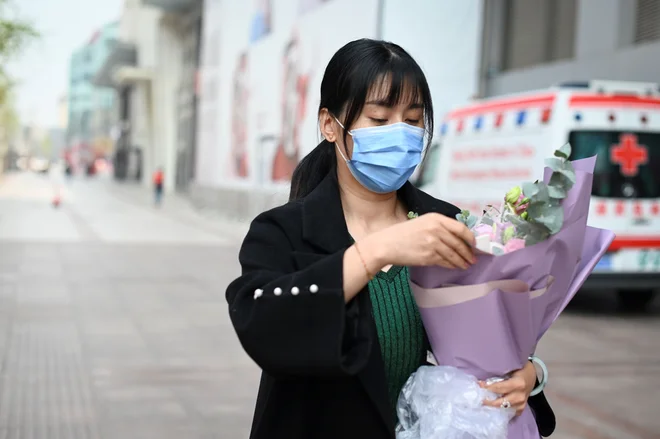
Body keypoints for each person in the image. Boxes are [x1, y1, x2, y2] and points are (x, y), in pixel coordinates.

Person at [226, 39, 555, 439]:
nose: (400, 134)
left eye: (413, 120)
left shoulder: (446, 223)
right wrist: (379, 249)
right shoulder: (282, 231)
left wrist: (528, 374)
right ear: (330, 125)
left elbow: (483, 342)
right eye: (380, 120)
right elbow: (263, 327)